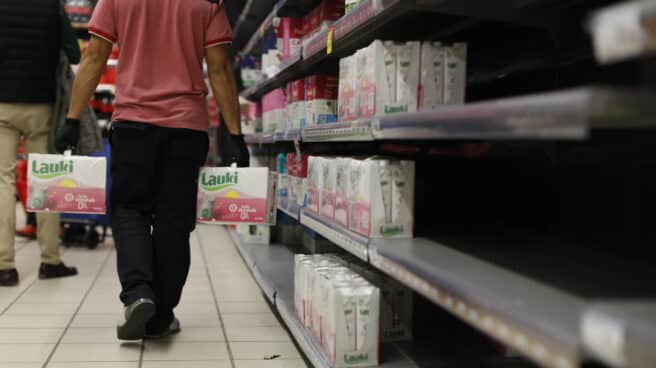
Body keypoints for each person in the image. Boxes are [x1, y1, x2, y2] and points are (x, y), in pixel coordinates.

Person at [60, 0, 249, 340]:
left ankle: (138, 293)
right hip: (187, 128)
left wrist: (72, 119)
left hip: (134, 124)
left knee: (129, 209)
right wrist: (234, 134)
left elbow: (94, 57)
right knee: (173, 221)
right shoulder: (207, 2)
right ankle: (161, 315)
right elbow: (219, 68)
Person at [0, 0, 80, 287]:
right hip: (41, 106)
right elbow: (73, 51)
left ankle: (4, 266)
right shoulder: (52, 6)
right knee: (45, 180)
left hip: (2, 105)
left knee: (3, 182)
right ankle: (50, 260)